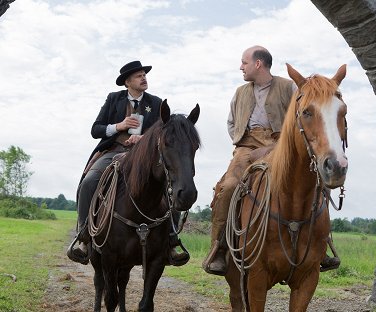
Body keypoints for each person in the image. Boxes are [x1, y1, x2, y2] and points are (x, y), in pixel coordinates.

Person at [202, 46, 340, 276]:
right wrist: (241, 142)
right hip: (246, 147)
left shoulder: (289, 87)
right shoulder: (240, 92)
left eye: (244, 62)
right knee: (228, 187)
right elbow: (231, 123)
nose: (241, 67)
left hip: (280, 144)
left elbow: (306, 110)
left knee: (316, 181)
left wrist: (277, 145)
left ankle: (322, 245)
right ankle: (219, 248)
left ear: (258, 64)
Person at [67, 60, 189, 266]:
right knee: (89, 182)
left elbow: (163, 132)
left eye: (144, 75)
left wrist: (143, 139)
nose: (144, 78)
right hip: (113, 150)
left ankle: (171, 240)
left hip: (146, 157)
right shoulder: (113, 99)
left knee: (170, 187)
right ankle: (84, 236)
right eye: (138, 76)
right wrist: (119, 126)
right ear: (127, 82)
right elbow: (95, 129)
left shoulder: (157, 102)